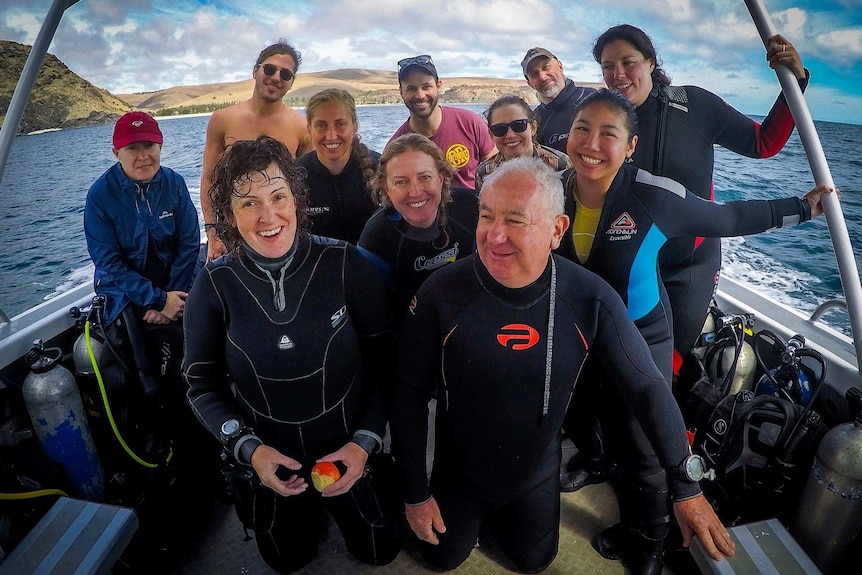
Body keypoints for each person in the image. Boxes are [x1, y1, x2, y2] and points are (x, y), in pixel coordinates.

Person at [389, 156, 736, 573]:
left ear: (557, 230)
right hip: (459, 472)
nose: (494, 235)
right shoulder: (442, 292)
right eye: (486, 215)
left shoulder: (589, 297)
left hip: (534, 474)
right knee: (440, 558)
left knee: (533, 563)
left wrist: (686, 487)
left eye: (516, 220)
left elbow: (647, 387)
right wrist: (414, 493)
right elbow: (407, 392)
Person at [556, 89, 832, 573]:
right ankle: (612, 481)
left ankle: (650, 538)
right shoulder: (552, 188)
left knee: (644, 448)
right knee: (604, 426)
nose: (592, 143)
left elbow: (727, 216)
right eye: (582, 129)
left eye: (608, 133)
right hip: (585, 340)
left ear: (630, 146)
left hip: (642, 338)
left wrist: (803, 209)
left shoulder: (654, 195)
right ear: (568, 134)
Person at [183, 135, 404, 572]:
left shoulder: (343, 264)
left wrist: (365, 443)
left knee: (380, 554)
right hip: (270, 459)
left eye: (278, 196)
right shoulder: (213, 287)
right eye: (248, 204)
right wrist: (248, 450)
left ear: (296, 198)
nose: (269, 217)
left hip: (350, 447)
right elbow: (200, 385)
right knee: (286, 562)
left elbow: (387, 363)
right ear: (228, 214)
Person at [592, 24, 809, 376]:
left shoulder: (695, 104)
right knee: (613, 357)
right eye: (607, 66)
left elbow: (763, 143)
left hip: (689, 264)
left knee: (666, 366)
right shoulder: (607, 120)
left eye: (627, 62)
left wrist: (794, 83)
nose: (617, 74)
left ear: (650, 62)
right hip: (628, 258)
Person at [84, 110, 199, 384]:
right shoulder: (100, 196)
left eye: (149, 145)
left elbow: (189, 244)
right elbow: (108, 263)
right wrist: (158, 301)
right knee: (132, 345)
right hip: (126, 286)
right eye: (132, 148)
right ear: (116, 152)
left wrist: (174, 299)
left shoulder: (175, 183)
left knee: (206, 315)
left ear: (160, 146)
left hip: (174, 278)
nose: (143, 156)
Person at [200, 40, 310, 262]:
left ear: (291, 83)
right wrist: (213, 234)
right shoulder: (223, 120)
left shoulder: (301, 127)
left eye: (286, 74)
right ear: (255, 70)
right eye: (270, 69)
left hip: (279, 230)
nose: (276, 77)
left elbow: (307, 185)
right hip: (234, 231)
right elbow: (209, 179)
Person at [358, 133, 478, 316]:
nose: (415, 192)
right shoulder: (376, 240)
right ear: (386, 188)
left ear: (441, 178)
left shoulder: (471, 209)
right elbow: (378, 315)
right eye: (401, 182)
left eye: (424, 177)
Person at [389, 54, 496, 190]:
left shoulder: (470, 122)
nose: (420, 95)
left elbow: (497, 170)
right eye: (411, 89)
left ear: (438, 86)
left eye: (426, 86)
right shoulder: (396, 146)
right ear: (401, 92)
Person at [297, 88, 380, 244]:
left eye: (340, 124)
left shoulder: (381, 169)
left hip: (373, 266)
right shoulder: (294, 176)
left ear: (354, 127)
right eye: (321, 125)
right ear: (309, 129)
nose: (331, 135)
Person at [474, 94, 572, 190]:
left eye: (518, 125)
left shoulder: (561, 165)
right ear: (491, 135)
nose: (510, 135)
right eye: (499, 129)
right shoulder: (485, 172)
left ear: (533, 127)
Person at [521, 47, 595, 154]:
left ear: (560, 66)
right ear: (530, 84)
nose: (542, 76)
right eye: (534, 74)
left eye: (546, 67)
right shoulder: (534, 121)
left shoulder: (594, 99)